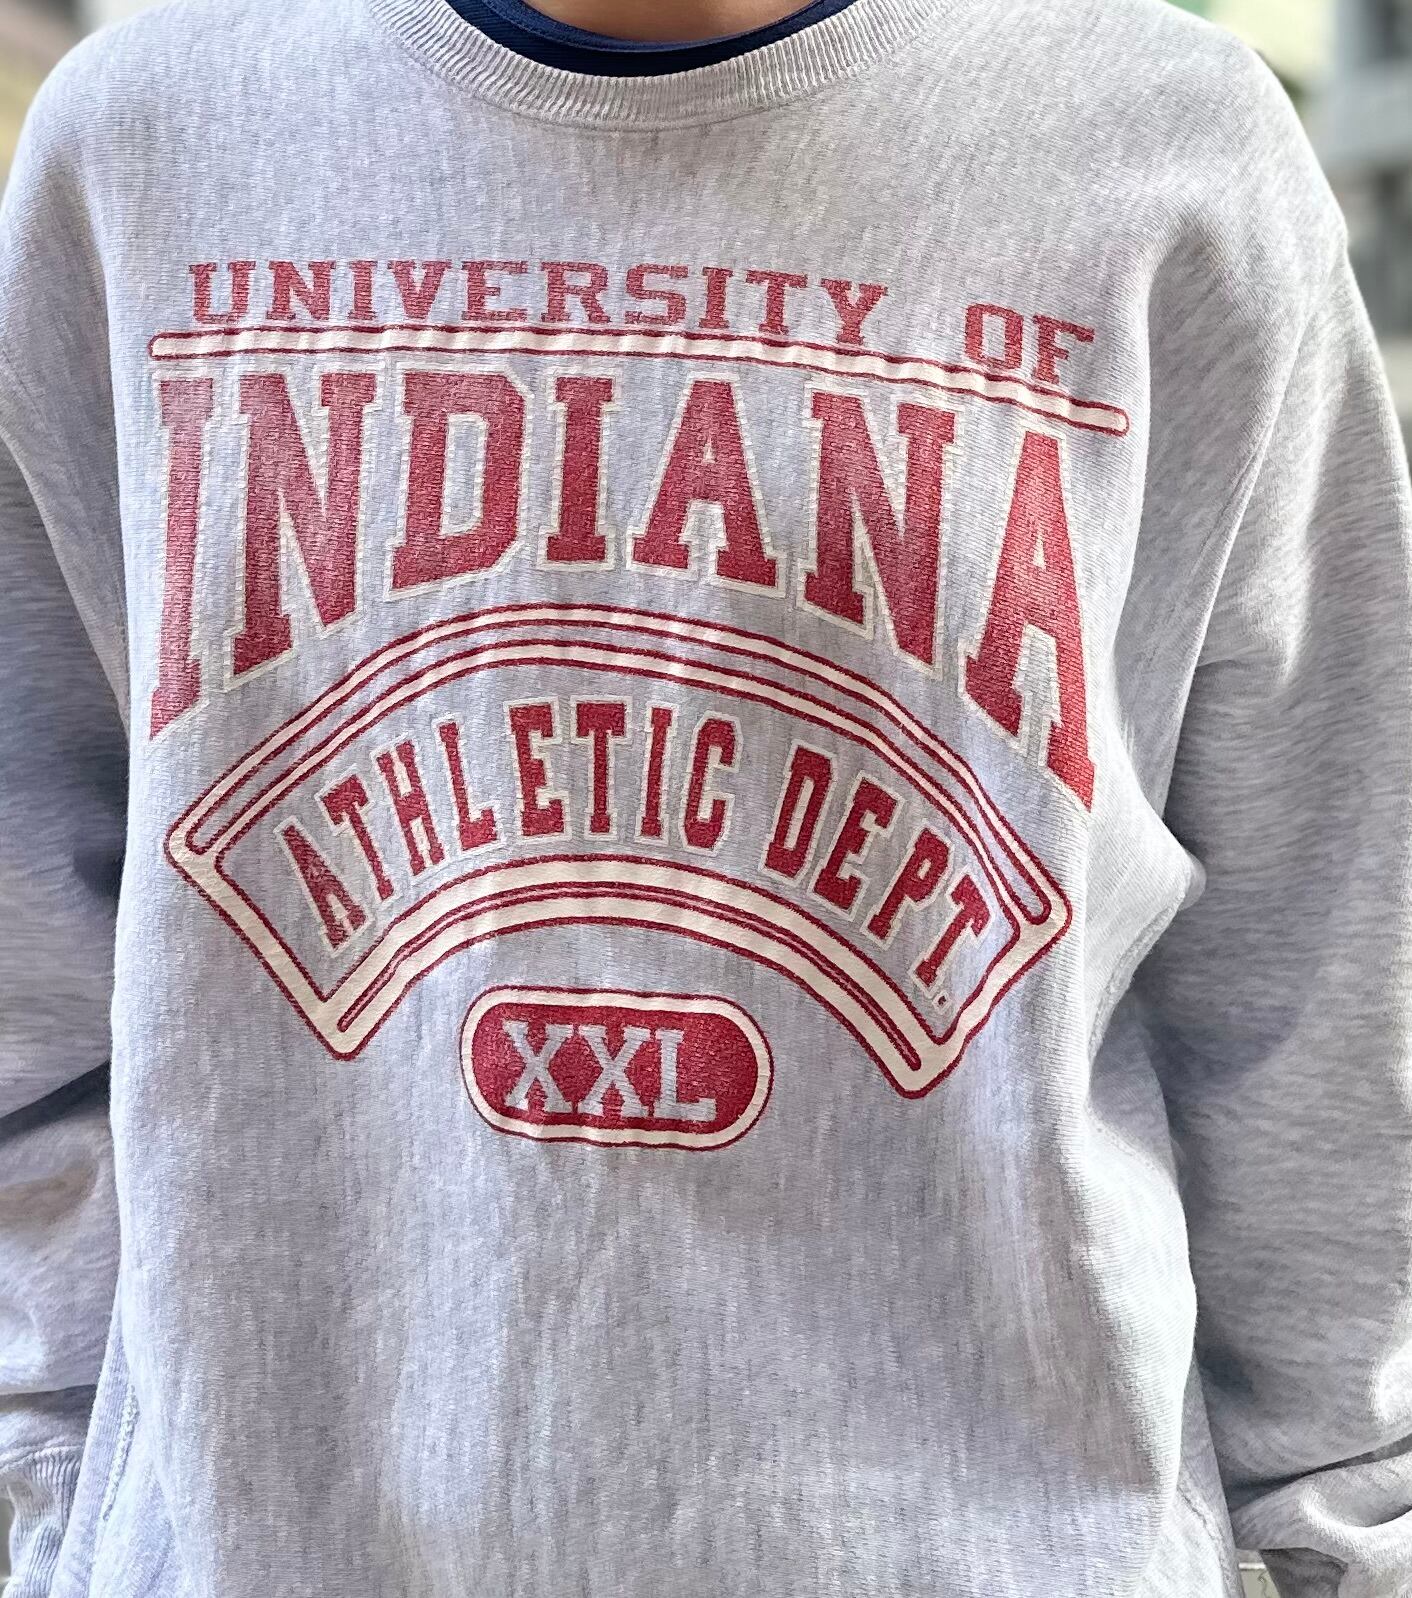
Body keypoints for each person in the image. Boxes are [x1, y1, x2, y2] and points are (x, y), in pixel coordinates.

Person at [2, 0, 1411, 1592]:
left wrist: (1347, 1533)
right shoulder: (144, 143)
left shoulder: (1172, 153)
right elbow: (29, 948)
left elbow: (1320, 971)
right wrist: (58, 1487)